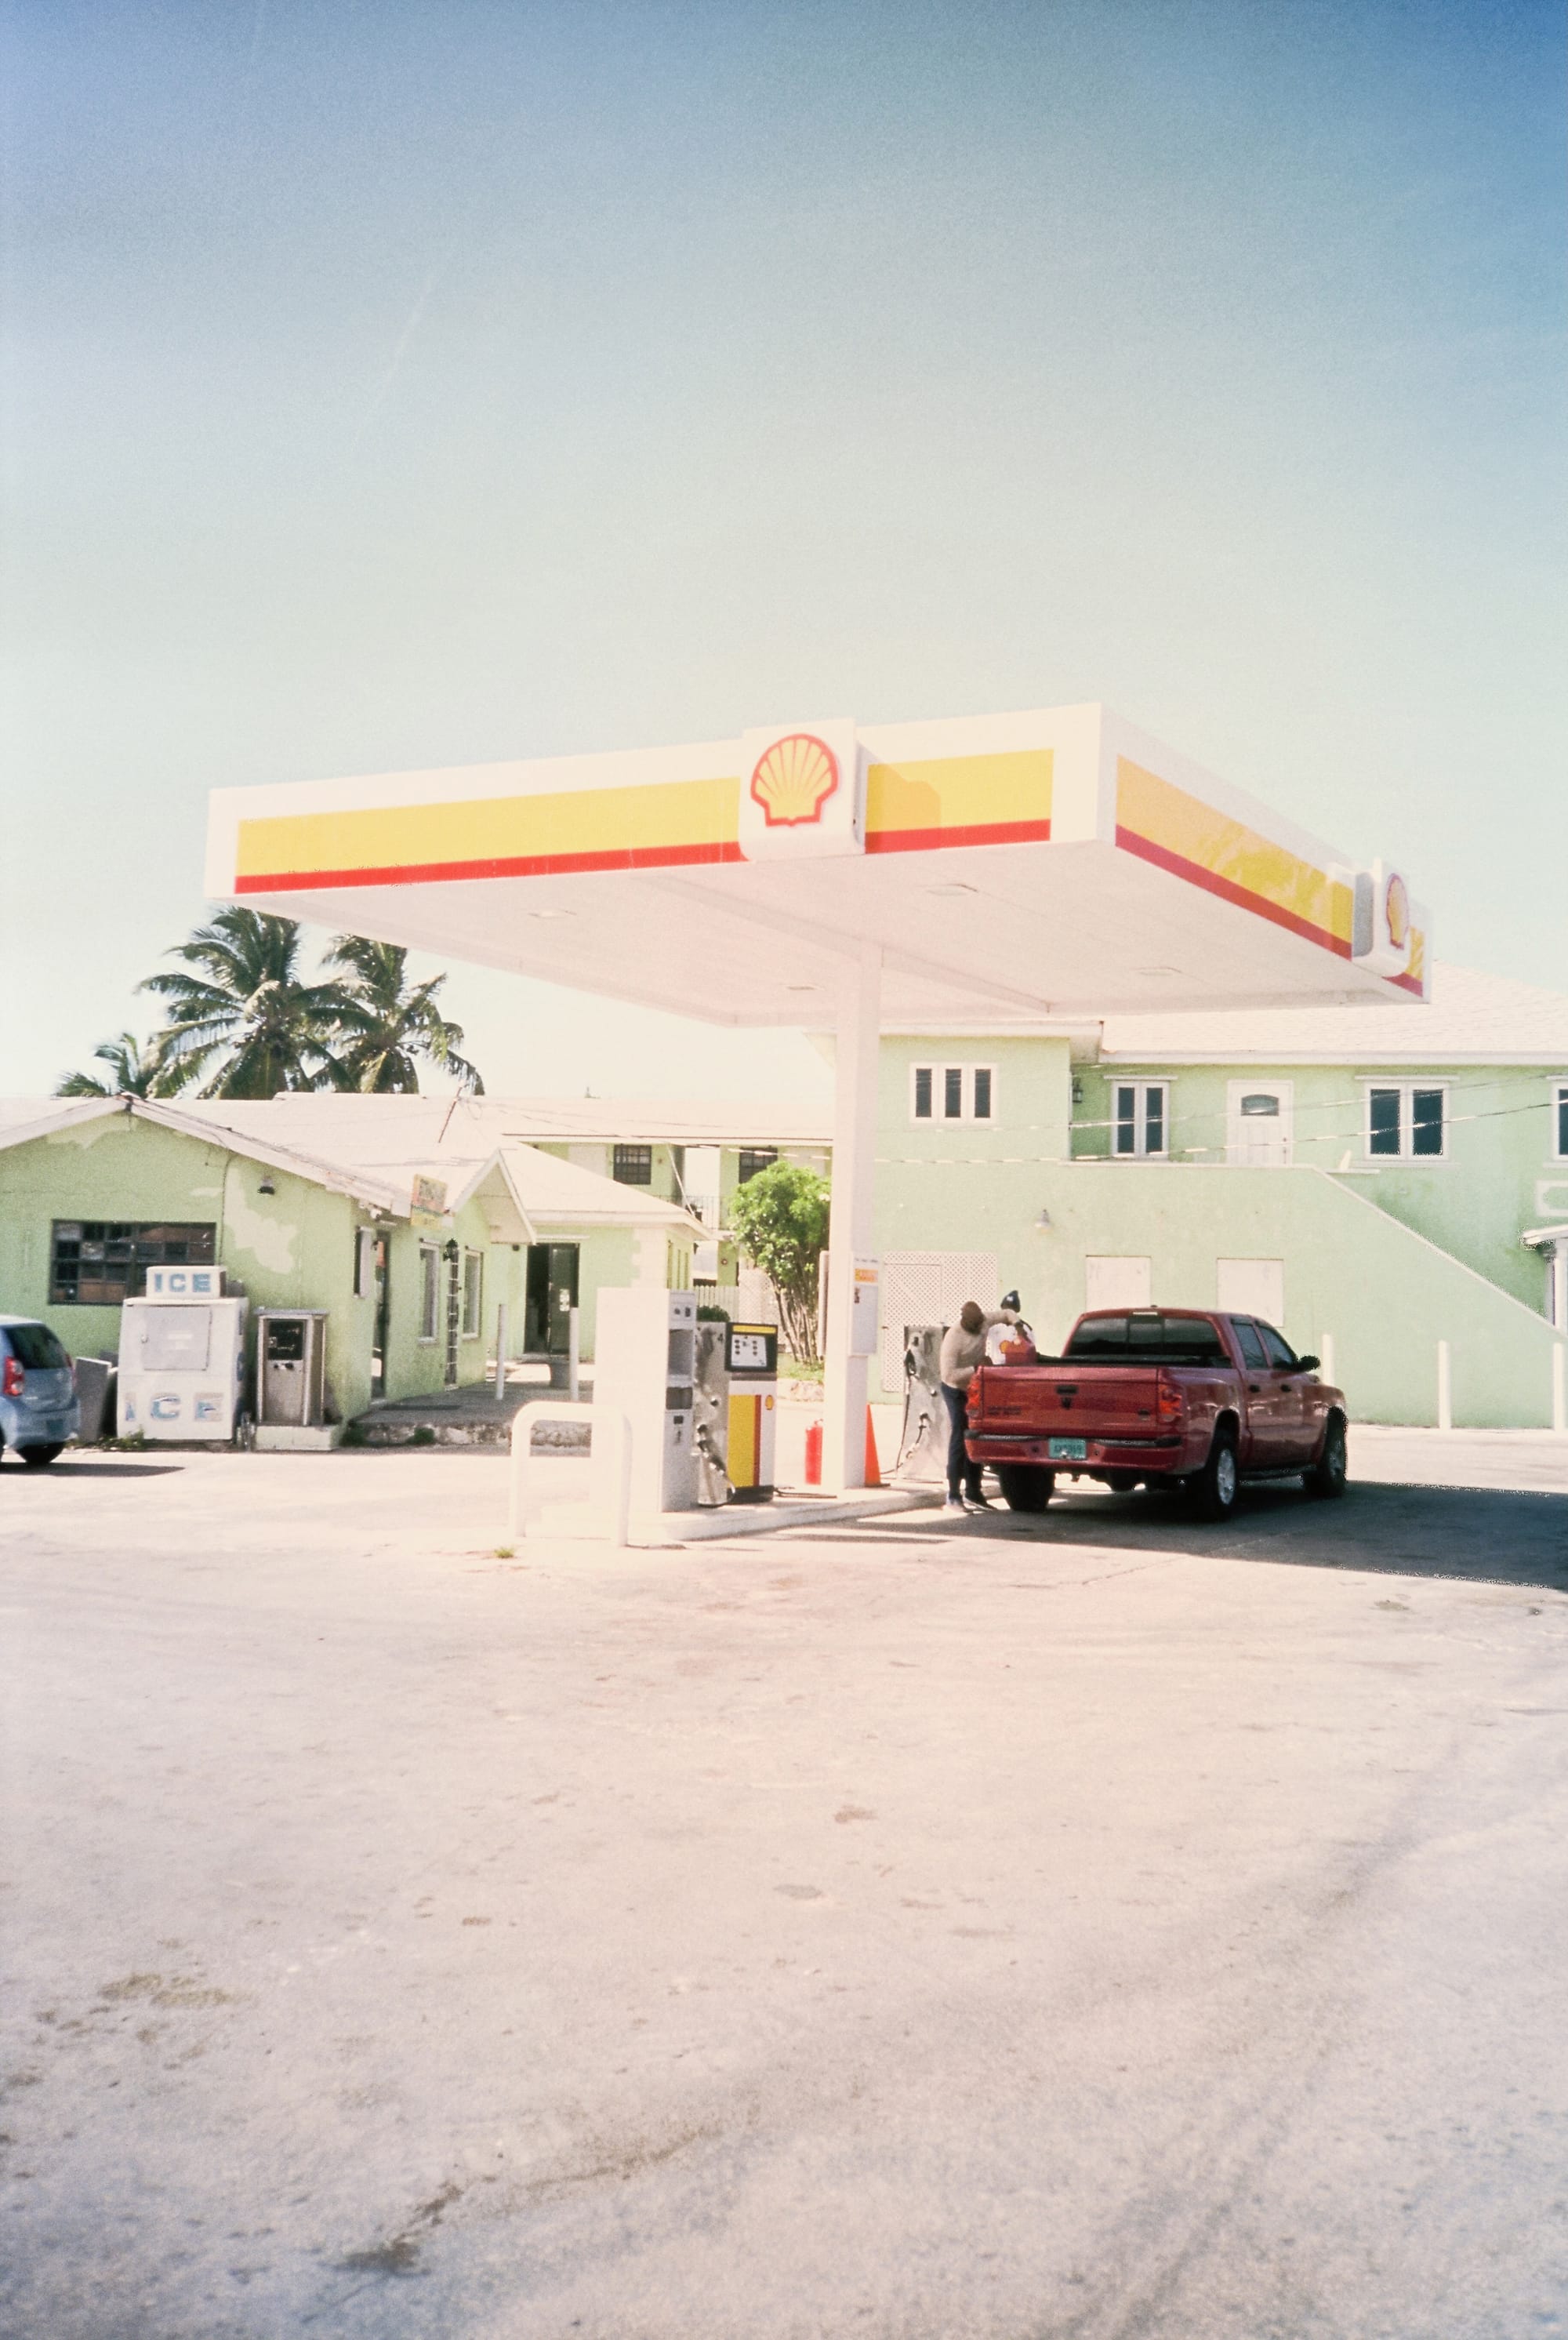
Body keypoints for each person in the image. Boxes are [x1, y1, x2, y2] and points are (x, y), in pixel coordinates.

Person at [938, 1298, 1018, 1513]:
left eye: (980, 1324)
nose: (978, 1329)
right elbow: (949, 1375)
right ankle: (953, 1495)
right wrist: (976, 1367)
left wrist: (1017, 1324)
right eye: (973, 1326)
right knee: (959, 1436)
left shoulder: (984, 1321)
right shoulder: (954, 1338)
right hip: (955, 1390)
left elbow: (1006, 1313)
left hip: (974, 1387)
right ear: (964, 1321)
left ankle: (974, 1492)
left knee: (974, 1436)